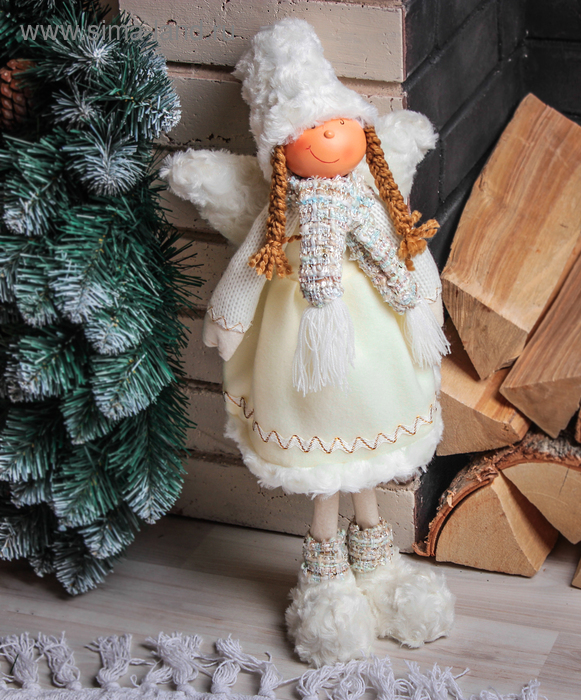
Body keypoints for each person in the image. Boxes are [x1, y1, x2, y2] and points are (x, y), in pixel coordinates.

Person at [163, 17, 454, 667]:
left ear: (361, 131)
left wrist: (426, 304)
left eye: (337, 122)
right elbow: (248, 269)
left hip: (375, 365)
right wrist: (228, 317)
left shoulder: (375, 204)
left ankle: (376, 560)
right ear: (278, 153)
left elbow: (409, 257)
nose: (325, 136)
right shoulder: (280, 218)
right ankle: (326, 569)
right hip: (304, 364)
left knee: (368, 459)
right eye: (307, 130)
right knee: (325, 462)